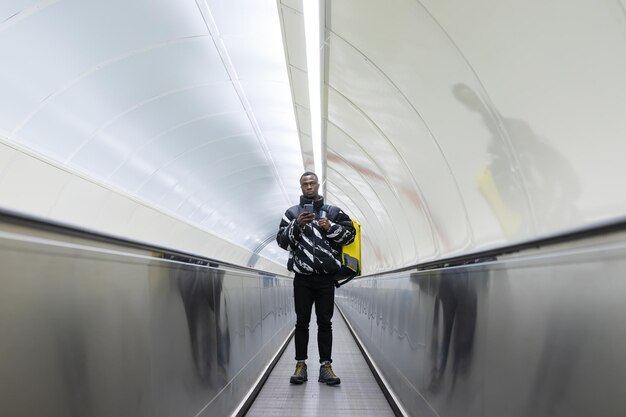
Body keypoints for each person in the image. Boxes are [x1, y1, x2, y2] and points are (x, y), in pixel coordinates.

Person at [276, 171, 356, 385]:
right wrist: (297, 225)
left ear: (318, 185)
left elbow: (350, 236)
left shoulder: (333, 212)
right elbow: (282, 242)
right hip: (302, 278)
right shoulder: (291, 213)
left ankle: (326, 367)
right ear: (300, 187)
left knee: (325, 322)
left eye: (312, 183)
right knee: (301, 322)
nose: (309, 187)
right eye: (305, 184)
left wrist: (330, 227)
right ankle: (300, 365)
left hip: (325, 279)